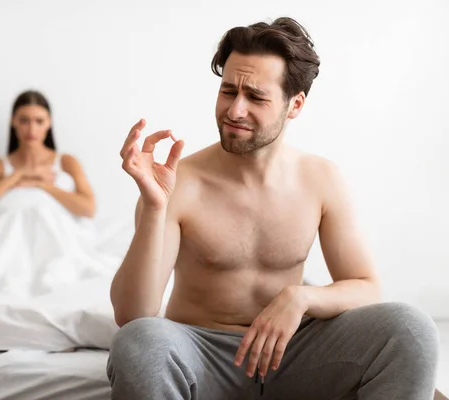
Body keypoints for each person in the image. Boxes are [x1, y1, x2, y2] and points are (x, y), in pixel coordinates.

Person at [108, 17, 439, 399]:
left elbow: (366, 287)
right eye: (228, 91)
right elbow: (132, 315)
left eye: (256, 97)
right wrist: (153, 207)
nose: (235, 110)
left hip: (294, 355)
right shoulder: (179, 181)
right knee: (138, 342)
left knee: (411, 328)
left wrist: (301, 297)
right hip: (201, 353)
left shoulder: (320, 179)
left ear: (295, 104)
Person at [0, 90, 95, 219]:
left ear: (49, 122)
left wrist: (41, 185)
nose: (32, 129)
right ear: (13, 121)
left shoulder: (66, 162)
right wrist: (17, 176)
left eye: (39, 121)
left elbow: (89, 209)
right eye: (24, 121)